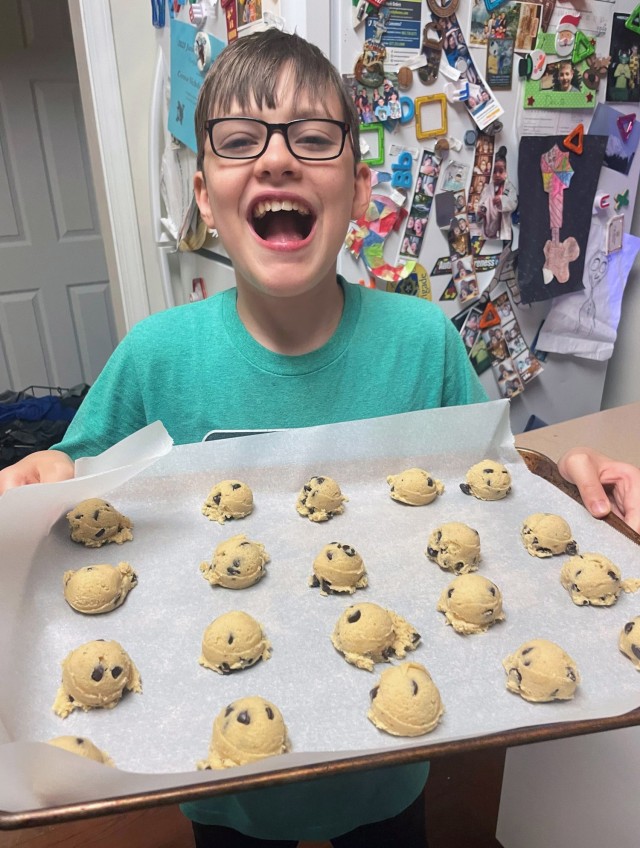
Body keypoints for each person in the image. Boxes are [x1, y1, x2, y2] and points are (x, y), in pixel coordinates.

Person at [0, 25, 639, 845]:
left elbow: (494, 501)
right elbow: (74, 503)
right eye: (239, 141)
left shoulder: (422, 342)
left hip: (394, 745)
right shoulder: (156, 358)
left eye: (313, 138)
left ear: (360, 189)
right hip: (218, 767)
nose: (276, 159)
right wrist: (45, 472)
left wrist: (568, 484)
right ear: (203, 194)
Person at [477, 146, 518, 240]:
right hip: (487, 231)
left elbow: (514, 203)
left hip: (502, 232)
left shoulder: (509, 187)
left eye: (501, 171)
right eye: (495, 171)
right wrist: (480, 212)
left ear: (505, 172)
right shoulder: (487, 188)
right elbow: (480, 205)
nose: (498, 175)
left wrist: (502, 200)